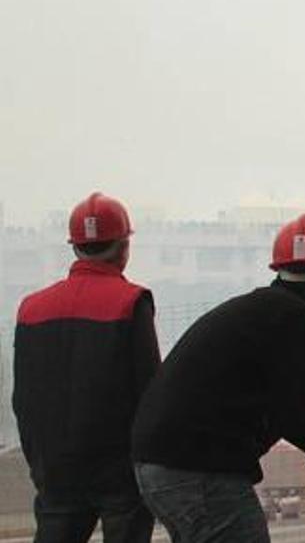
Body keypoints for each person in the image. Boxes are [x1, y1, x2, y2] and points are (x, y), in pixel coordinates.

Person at [130, 214, 305, 543]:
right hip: (197, 469)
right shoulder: (296, 323)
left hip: (160, 462)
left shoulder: (263, 312)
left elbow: (298, 410)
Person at [13, 192, 159, 543]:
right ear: (124, 246)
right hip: (118, 470)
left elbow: (24, 398)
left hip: (56, 470)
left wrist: (40, 465)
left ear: (75, 247)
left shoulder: (30, 309)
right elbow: (150, 392)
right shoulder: (130, 302)